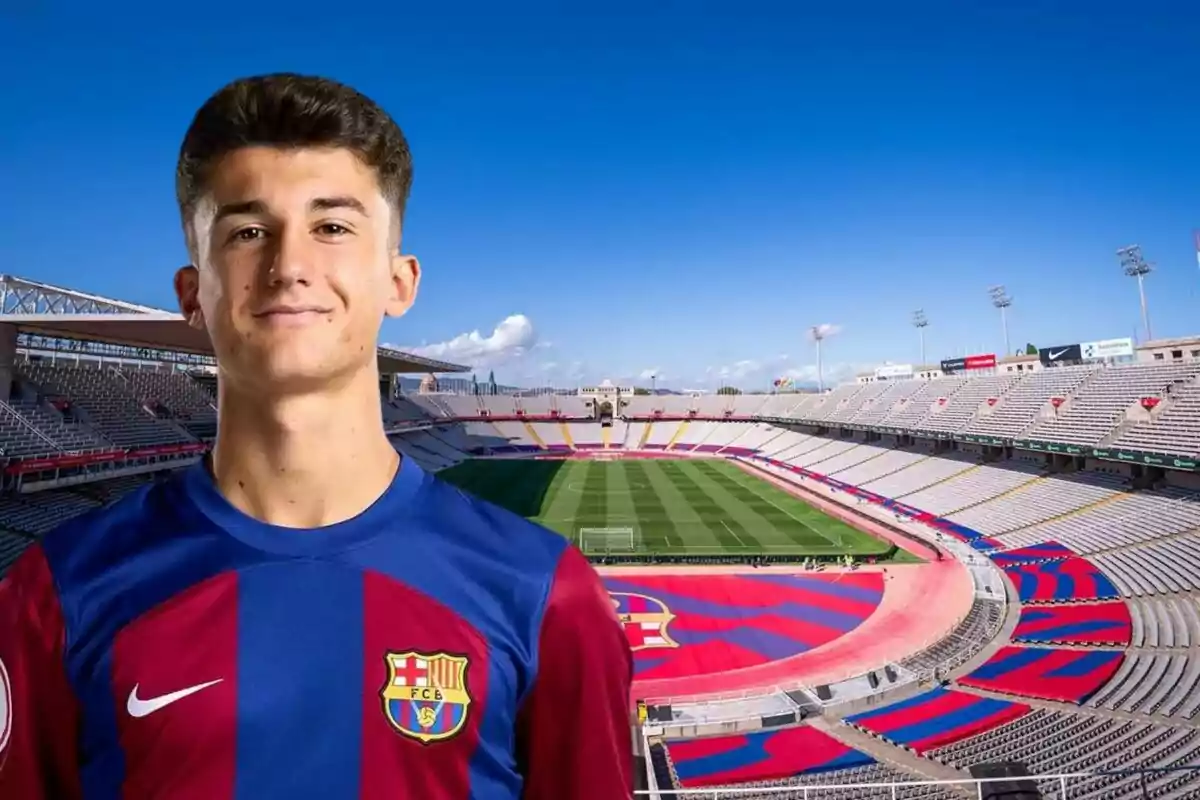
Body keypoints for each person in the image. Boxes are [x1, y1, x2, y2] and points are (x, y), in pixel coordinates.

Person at [0, 73, 633, 799]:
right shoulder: (55, 593)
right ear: (191, 292)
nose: (289, 266)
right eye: (246, 232)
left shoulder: (548, 596)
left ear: (400, 281)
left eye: (332, 227)